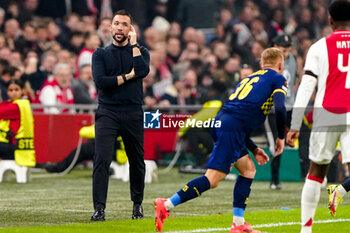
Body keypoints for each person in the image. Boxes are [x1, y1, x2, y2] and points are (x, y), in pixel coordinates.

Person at [155, 47, 287, 233]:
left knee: (248, 170)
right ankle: (166, 204)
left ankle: (239, 224)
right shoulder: (277, 78)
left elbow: (238, 116)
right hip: (231, 128)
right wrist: (281, 136)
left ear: (260, 64)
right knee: (212, 179)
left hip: (223, 123)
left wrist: (254, 148)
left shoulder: (249, 79)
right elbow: (280, 109)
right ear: (280, 65)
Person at [286, 1, 350, 232]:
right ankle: (339, 193)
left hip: (326, 114)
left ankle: (306, 229)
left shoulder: (318, 47)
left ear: (330, 20)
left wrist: (295, 123)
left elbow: (306, 86)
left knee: (316, 172)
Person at [91, 10, 150, 221]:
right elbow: (101, 82)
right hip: (107, 111)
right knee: (102, 160)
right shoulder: (100, 54)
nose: (119, 27)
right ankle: (99, 209)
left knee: (137, 161)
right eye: (116, 23)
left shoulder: (140, 51)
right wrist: (128, 76)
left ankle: (137, 205)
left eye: (124, 24)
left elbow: (142, 71)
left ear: (130, 30)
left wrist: (134, 46)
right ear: (110, 27)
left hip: (133, 112)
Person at [266, 34, 297, 190]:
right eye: (284, 50)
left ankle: (308, 175)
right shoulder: (267, 60)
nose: (286, 53)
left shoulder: (292, 60)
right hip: (272, 109)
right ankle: (274, 179)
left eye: (288, 49)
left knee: (293, 139)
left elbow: (293, 80)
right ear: (276, 46)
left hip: (289, 105)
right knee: (276, 144)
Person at [0, 79, 35, 167]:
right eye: (10, 90)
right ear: (7, 92)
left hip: (16, 148)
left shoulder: (19, 106)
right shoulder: (9, 103)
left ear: (22, 91)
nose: (14, 93)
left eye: (16, 89)